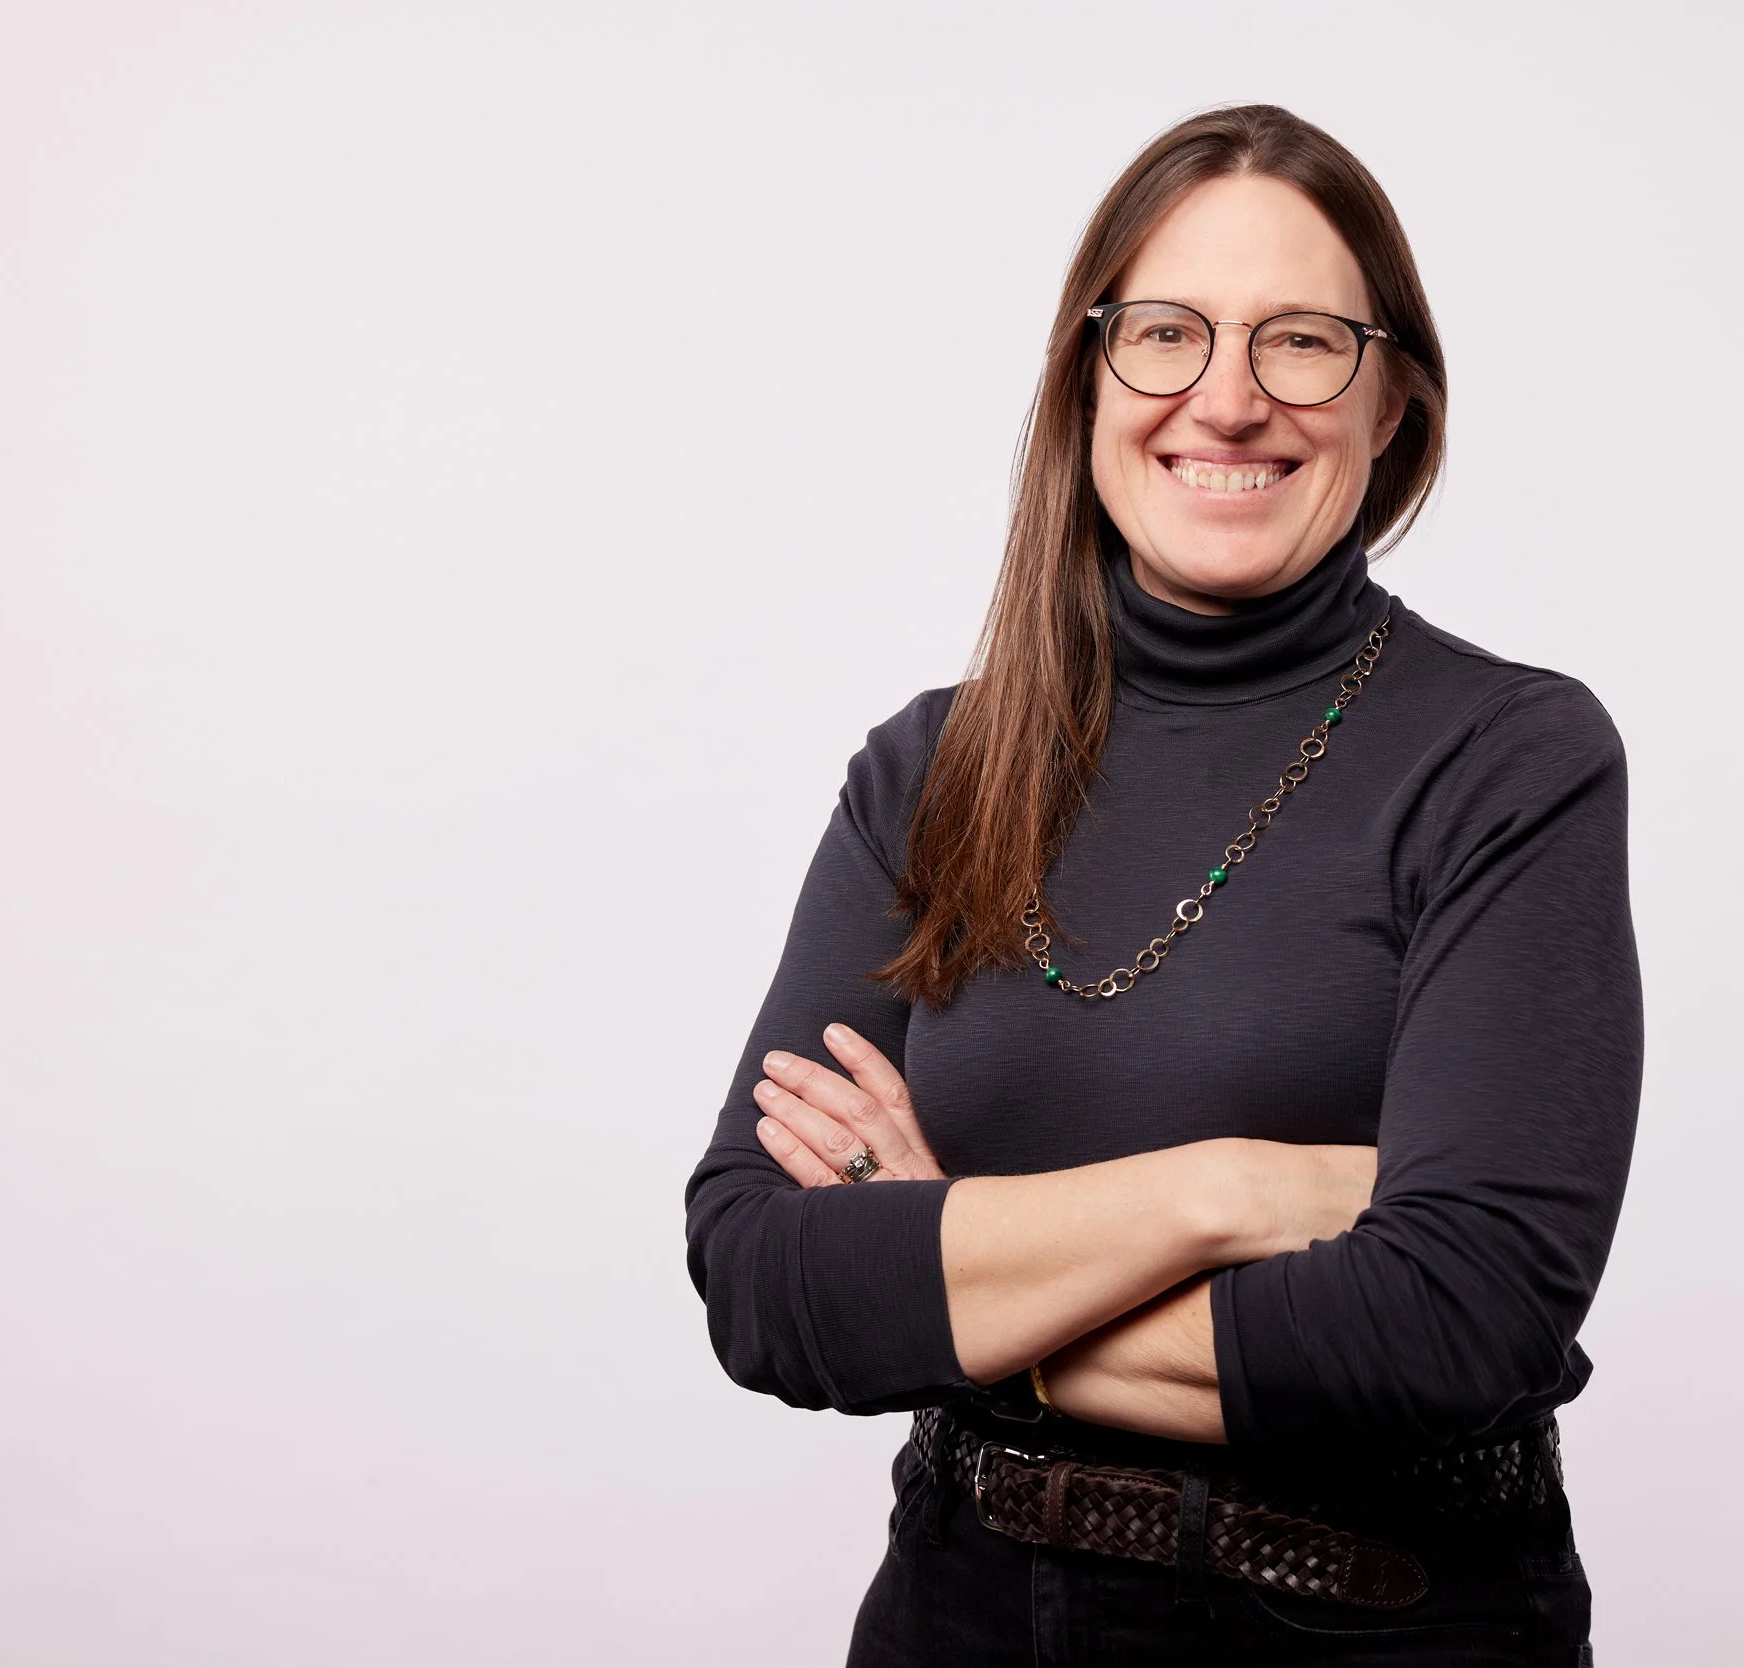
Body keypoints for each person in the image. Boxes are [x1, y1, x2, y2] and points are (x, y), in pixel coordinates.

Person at [684, 103, 1642, 1666]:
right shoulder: (931, 770)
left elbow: (1456, 1321)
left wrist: (948, 1268)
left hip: (1371, 1623)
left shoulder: (1509, 758)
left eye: (1302, 342)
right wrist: (1231, 1193)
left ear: (1393, 401)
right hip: (964, 1611)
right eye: (1166, 334)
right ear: (1090, 380)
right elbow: (764, 1283)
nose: (1230, 399)